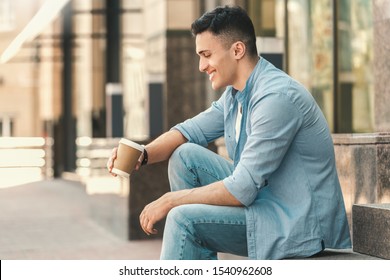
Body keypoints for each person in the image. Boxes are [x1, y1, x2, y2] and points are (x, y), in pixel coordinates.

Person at [107, 5, 351, 260]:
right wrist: (143, 154)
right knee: (184, 157)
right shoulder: (236, 95)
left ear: (237, 50)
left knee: (182, 217)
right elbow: (187, 131)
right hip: (265, 199)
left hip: (296, 224)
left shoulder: (276, 98)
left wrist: (170, 200)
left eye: (206, 54)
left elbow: (241, 189)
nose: (201, 66)